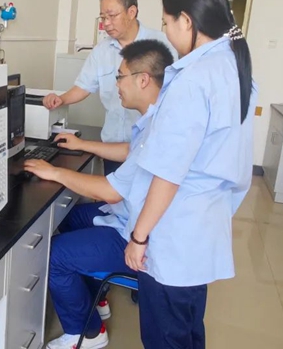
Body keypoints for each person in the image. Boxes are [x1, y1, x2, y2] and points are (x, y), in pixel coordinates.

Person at [26, 0, 257, 349]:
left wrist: (138, 236)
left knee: (166, 335)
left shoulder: (193, 79)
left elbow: (168, 173)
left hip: (173, 231)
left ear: (186, 20)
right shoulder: (232, 68)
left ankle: (87, 328)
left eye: (167, 23)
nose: (165, 31)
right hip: (199, 228)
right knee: (185, 328)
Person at [26, 39, 174, 348]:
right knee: (70, 219)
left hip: (139, 237)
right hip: (131, 217)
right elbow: (129, 151)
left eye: (120, 76)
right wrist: (82, 145)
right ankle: (94, 297)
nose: (116, 84)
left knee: (54, 254)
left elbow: (110, 192)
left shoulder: (162, 128)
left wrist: (55, 172)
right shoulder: (157, 117)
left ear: (143, 79)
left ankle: (89, 333)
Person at [42, 0, 177, 175]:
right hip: (113, 147)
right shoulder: (102, 51)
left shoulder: (162, 45)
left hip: (150, 147)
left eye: (112, 16)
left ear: (132, 12)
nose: (106, 23)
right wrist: (61, 99)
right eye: (103, 17)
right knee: (113, 190)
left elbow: (176, 93)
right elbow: (84, 85)